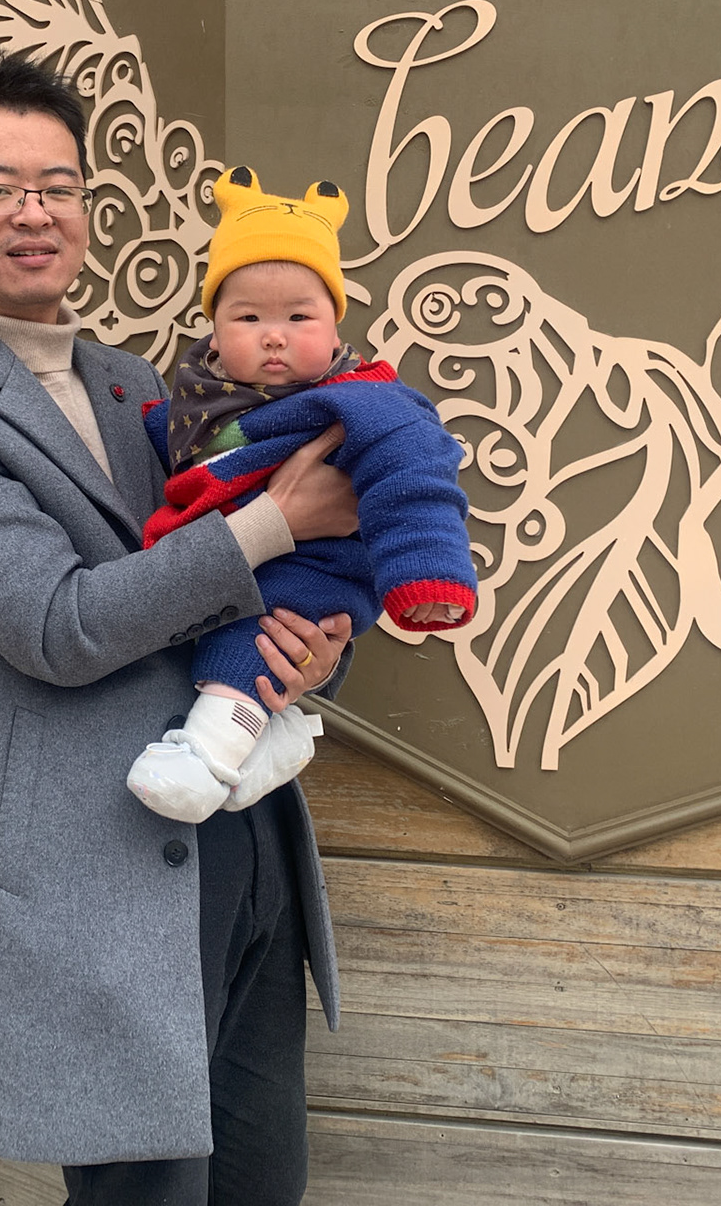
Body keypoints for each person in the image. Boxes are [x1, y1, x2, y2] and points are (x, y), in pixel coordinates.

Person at [0, 51, 360, 1205]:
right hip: (101, 876)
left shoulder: (142, 387)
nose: (35, 212)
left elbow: (257, 575)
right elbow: (57, 624)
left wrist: (316, 649)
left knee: (264, 1187)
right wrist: (274, 522)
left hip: (251, 844)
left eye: (59, 186)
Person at [127, 168, 477, 823]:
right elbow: (180, 449)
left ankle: (205, 760)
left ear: (335, 324)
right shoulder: (203, 403)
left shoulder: (364, 400)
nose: (274, 335)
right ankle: (274, 735)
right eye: (248, 316)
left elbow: (415, 478)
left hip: (316, 571)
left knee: (249, 641)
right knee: (242, 632)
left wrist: (427, 571)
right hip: (243, 560)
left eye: (299, 316)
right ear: (213, 330)